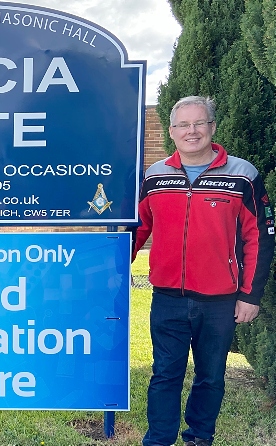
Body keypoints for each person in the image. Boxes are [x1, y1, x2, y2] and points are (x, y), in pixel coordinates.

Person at [134, 96, 275, 446]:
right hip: (167, 298)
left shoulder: (242, 175)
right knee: (165, 374)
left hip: (220, 301)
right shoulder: (156, 175)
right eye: (183, 125)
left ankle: (199, 436)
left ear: (212, 127)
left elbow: (260, 236)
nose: (191, 131)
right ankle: (159, 439)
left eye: (199, 123)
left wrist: (250, 295)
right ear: (171, 131)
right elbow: (137, 229)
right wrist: (113, 272)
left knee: (210, 376)